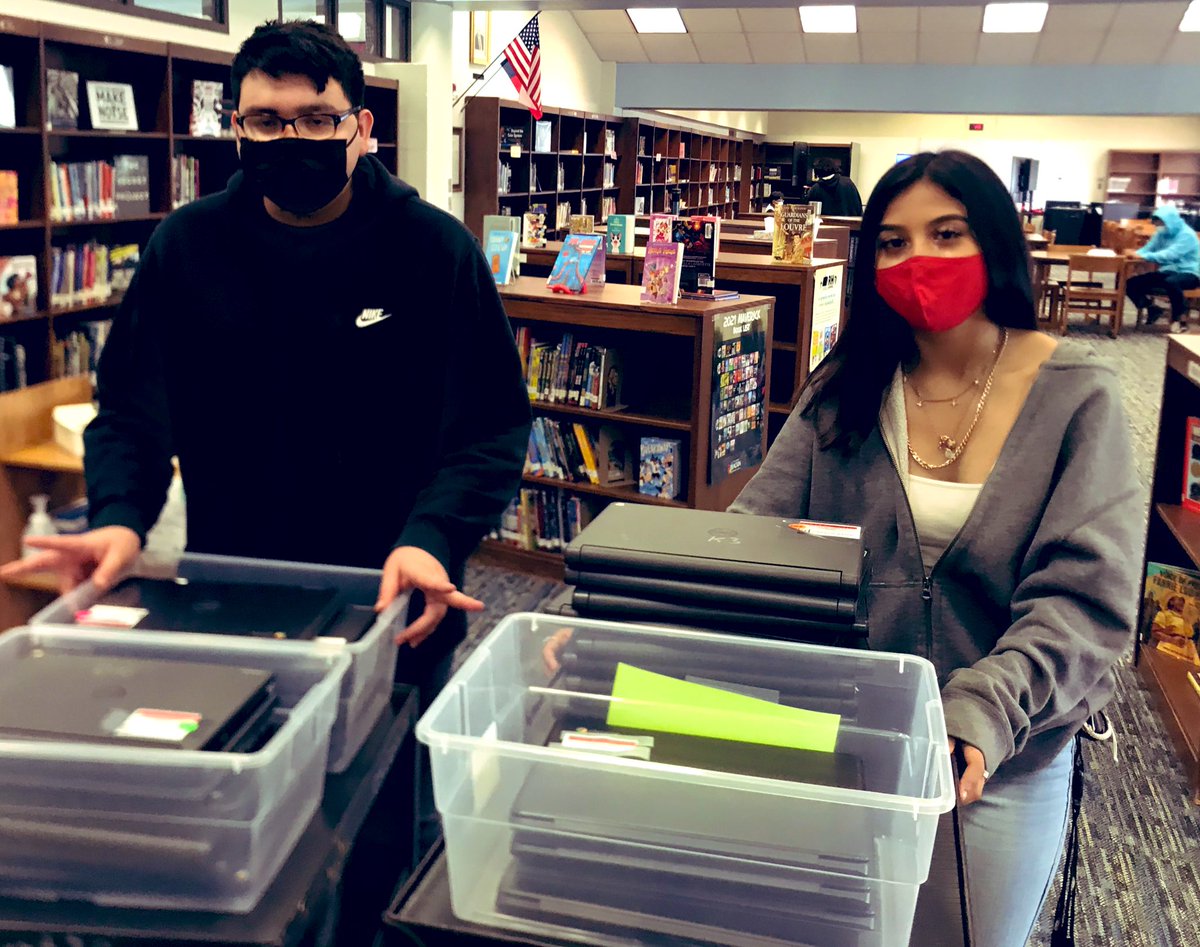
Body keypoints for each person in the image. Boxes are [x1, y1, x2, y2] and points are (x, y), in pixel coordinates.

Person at [0, 18, 531, 845]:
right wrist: (117, 517)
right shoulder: (186, 246)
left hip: (394, 600)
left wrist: (435, 533)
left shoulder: (433, 250)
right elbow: (133, 411)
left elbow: (491, 425)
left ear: (362, 127)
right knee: (236, 824)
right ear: (236, 128)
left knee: (382, 834)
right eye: (265, 121)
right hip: (226, 595)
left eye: (317, 119)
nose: (293, 138)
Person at [730, 151, 1142, 947]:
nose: (917, 259)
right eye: (890, 242)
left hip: (995, 764)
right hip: (851, 734)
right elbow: (751, 535)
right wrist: (615, 614)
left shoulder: (1076, 396)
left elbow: (1085, 601)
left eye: (946, 233)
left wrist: (981, 712)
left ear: (994, 241)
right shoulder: (847, 385)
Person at [1125, 205, 1200, 333]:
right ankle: (1152, 308)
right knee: (1131, 283)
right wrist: (1135, 253)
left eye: (1161, 223)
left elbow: (1170, 254)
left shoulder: (1187, 235)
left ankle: (1179, 319)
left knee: (1172, 282)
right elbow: (1148, 249)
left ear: (1170, 221)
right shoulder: (1161, 233)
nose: (1158, 226)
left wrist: (1142, 255)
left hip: (1190, 273)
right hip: (1168, 271)